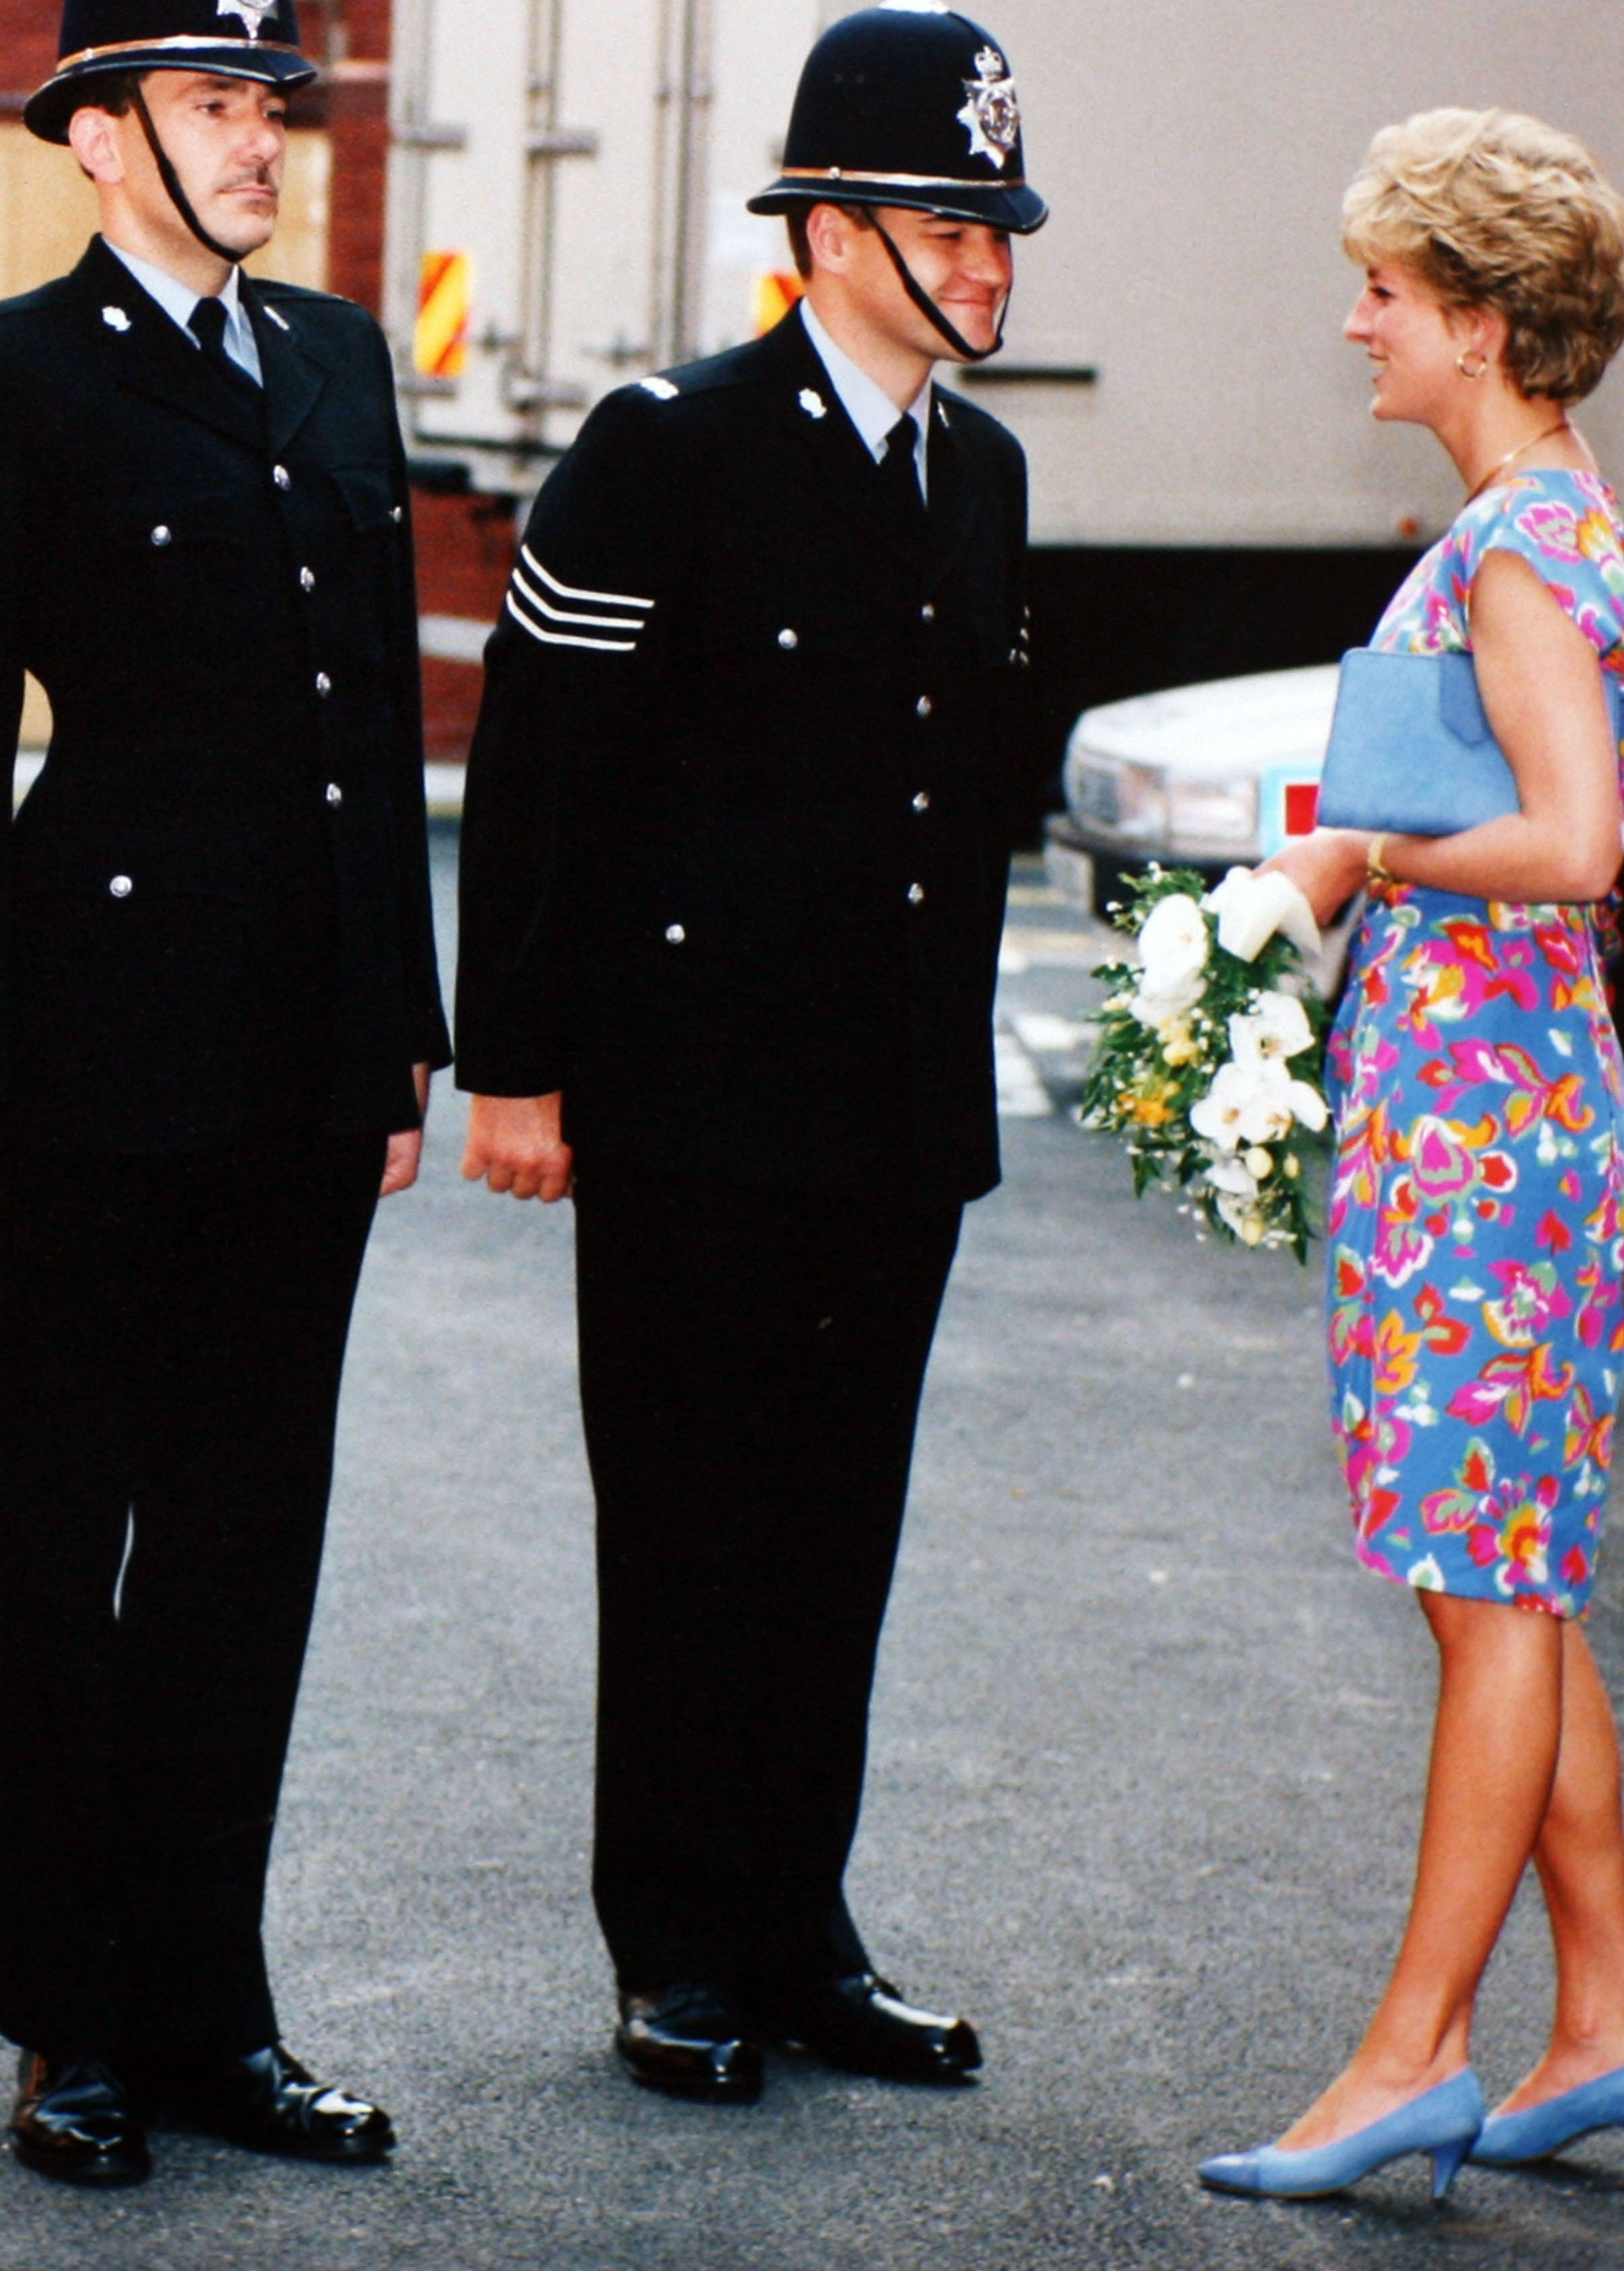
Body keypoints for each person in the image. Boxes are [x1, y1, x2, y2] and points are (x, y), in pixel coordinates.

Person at [0, 0, 448, 2188]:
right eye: (216, 105)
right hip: (87, 1064)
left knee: (242, 1554)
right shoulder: (1, 374)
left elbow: (373, 721)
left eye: (272, 105)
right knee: (56, 1554)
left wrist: (399, 1028)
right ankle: (72, 2029)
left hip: (299, 1073)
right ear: (100, 136)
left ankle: (213, 2010)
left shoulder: (328, 362)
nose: (261, 142)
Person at [455, 3, 1043, 2102]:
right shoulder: (669, 444)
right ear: (828, 227)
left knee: (838, 1536)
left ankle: (804, 1931)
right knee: (693, 1533)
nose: (986, 269)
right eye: (948, 227)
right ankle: (680, 1952)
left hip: (891, 1115)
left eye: (1003, 233)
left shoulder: (983, 471)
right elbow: (540, 770)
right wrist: (508, 1066)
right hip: (699, 1105)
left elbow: (954, 800)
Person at [1198, 109, 1624, 2202]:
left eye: (1386, 294)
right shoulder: (1538, 519)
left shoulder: (1516, 552)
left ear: (1480, 322)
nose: (1356, 324)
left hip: (1490, 1148)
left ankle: (1415, 2056)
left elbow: (1571, 849)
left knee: (1488, 1598)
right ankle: (1608, 2025)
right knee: (1508, 1589)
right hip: (1490, 1128)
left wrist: (1362, 854)